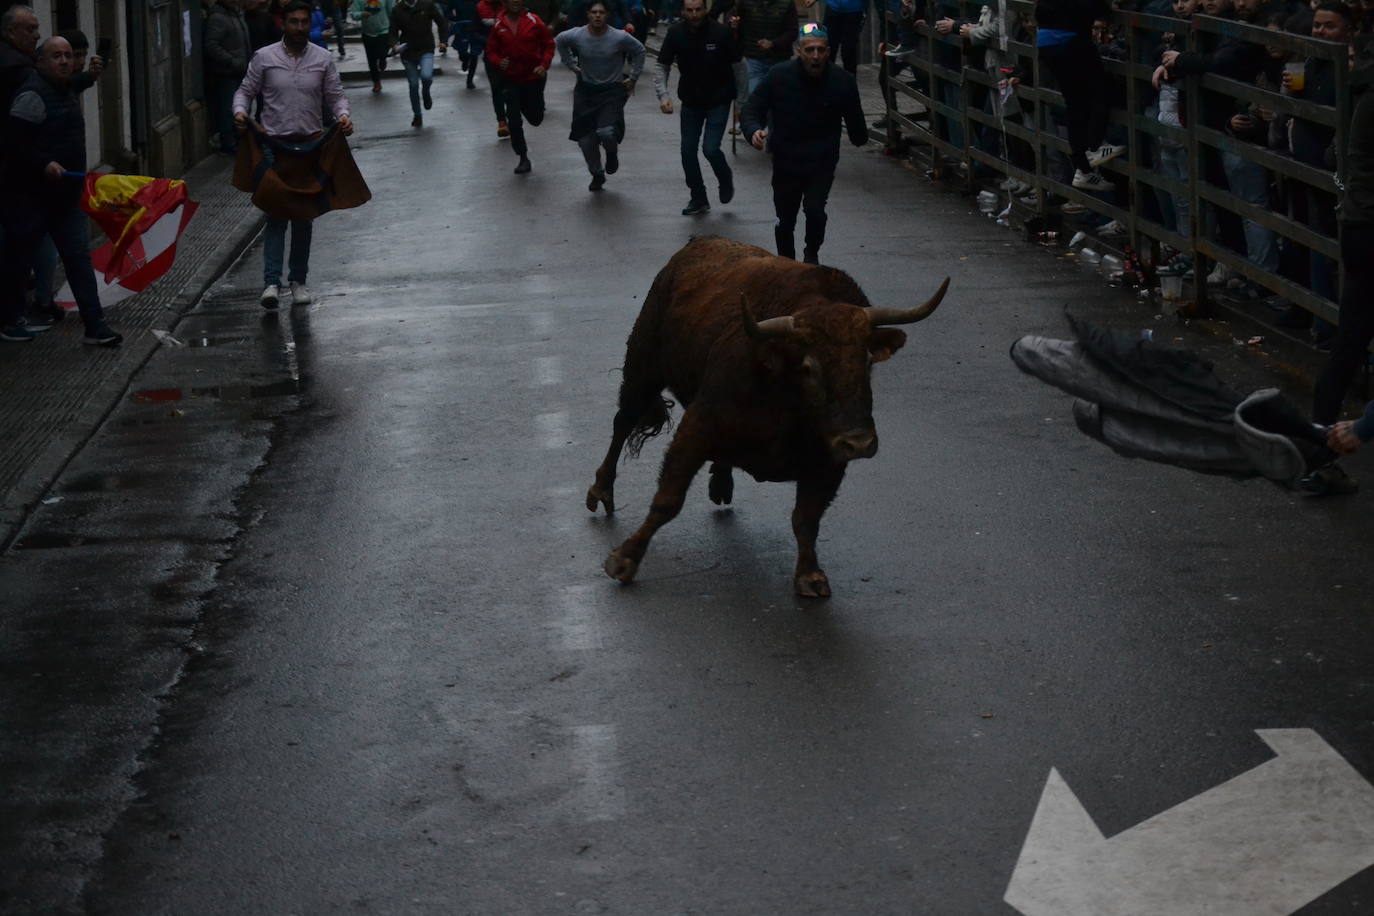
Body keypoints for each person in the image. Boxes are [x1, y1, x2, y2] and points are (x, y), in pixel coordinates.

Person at [233, 0, 354, 308]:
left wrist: (343, 115)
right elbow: (245, 91)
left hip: (311, 148)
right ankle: (271, 284)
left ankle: (298, 281)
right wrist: (239, 111)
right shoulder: (264, 58)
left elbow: (336, 95)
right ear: (283, 24)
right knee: (274, 215)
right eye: (294, 22)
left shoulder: (322, 59)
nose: (300, 27)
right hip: (274, 146)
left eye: (303, 22)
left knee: (304, 218)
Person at [2, 37, 121, 345]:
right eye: (57, 56)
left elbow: (79, 81)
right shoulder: (32, 96)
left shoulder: (63, 88)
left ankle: (95, 326)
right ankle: (11, 320)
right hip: (31, 198)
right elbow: (13, 144)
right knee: (18, 261)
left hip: (65, 198)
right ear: (40, 62)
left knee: (79, 260)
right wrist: (44, 163)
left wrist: (95, 72)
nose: (65, 61)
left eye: (69, 56)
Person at [740, 22, 866, 263]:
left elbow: (857, 128)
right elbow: (752, 108)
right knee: (786, 218)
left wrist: (858, 133)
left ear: (829, 51)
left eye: (821, 50)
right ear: (799, 51)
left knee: (815, 210)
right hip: (786, 159)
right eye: (809, 50)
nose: (815, 56)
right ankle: (786, 262)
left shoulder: (842, 81)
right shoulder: (779, 75)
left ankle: (811, 254)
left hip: (822, 159)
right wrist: (754, 130)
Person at [1312, 36, 1374, 426]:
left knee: (1348, 343)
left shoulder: (1363, 87)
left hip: (1360, 224)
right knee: (1348, 343)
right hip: (1370, 224)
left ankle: (1317, 445)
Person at [654, 0, 739, 214]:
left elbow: (738, 66)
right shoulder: (675, 33)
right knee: (687, 151)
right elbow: (662, 65)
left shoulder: (721, 33)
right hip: (691, 101)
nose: (694, 15)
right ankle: (698, 197)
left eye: (698, 9)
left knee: (710, 149)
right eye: (689, 10)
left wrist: (743, 102)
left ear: (705, 9)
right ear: (683, 11)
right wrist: (663, 95)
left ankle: (724, 176)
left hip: (719, 99)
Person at [556, 0, 645, 190]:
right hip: (586, 90)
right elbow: (560, 40)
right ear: (587, 14)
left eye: (601, 12)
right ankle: (597, 173)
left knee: (605, 132)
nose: (597, 15)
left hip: (611, 91)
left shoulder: (619, 37)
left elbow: (639, 50)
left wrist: (633, 77)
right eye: (594, 12)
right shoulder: (578, 35)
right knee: (585, 140)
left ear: (607, 15)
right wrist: (571, 64)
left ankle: (611, 153)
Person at [1034, 0, 1121, 192]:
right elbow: (1096, 8)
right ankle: (1096, 146)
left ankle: (1083, 168)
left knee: (1075, 102)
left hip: (1046, 40)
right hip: (1070, 38)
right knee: (1100, 89)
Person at [486, 0, 555, 174]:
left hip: (533, 78)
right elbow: (490, 51)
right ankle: (523, 157)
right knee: (514, 120)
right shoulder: (498, 24)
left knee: (536, 119)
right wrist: (498, 62)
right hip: (511, 80)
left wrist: (544, 65)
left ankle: (528, 106)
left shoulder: (534, 20)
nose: (515, 1)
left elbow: (549, 44)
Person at [205, 0, 253, 155]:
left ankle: (237, 140)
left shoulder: (235, 14)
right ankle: (228, 143)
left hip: (239, 70)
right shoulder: (218, 17)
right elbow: (212, 45)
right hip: (227, 73)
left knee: (240, 106)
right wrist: (232, 61)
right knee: (228, 109)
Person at [390, 0, 448, 126]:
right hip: (408, 51)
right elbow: (392, 31)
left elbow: (441, 22)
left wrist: (443, 41)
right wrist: (394, 45)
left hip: (426, 48)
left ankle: (426, 92)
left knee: (426, 76)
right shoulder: (397, 9)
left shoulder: (427, 5)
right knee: (413, 84)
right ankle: (417, 115)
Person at [731, 0, 795, 94]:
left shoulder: (787, 3)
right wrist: (733, 24)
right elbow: (734, 19)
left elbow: (793, 31)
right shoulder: (744, 2)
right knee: (755, 96)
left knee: (780, 97)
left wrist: (773, 43)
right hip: (754, 58)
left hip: (780, 59)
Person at [478, 0, 510, 134]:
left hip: (511, 55)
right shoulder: (480, 7)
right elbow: (474, 30)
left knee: (511, 88)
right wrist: (489, 42)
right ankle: (502, 122)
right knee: (497, 88)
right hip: (491, 55)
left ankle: (513, 118)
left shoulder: (510, 7)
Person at [349, 0, 394, 92]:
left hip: (384, 31)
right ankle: (376, 82)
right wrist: (362, 14)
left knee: (382, 53)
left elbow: (392, 11)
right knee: (371, 59)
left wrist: (393, 29)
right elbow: (354, 14)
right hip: (367, 33)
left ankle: (383, 58)